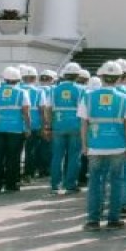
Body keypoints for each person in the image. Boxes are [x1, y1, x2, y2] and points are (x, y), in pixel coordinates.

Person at [80, 61, 126, 231]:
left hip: (95, 146)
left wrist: (84, 145)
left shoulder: (88, 96)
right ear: (120, 78)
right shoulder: (125, 98)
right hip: (118, 146)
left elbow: (83, 124)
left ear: (101, 77)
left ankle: (93, 220)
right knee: (117, 182)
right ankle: (113, 219)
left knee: (95, 182)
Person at [0, 66, 32, 193]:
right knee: (13, 158)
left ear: (5, 79)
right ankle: (11, 184)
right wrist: (28, 127)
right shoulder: (22, 92)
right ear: (18, 79)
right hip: (16, 130)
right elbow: (26, 113)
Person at [45, 62, 85, 195]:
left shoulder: (54, 89)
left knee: (57, 156)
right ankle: (70, 185)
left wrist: (49, 125)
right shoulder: (81, 90)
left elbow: (48, 109)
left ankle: (55, 186)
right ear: (77, 76)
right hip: (76, 126)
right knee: (74, 156)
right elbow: (84, 111)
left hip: (58, 125)